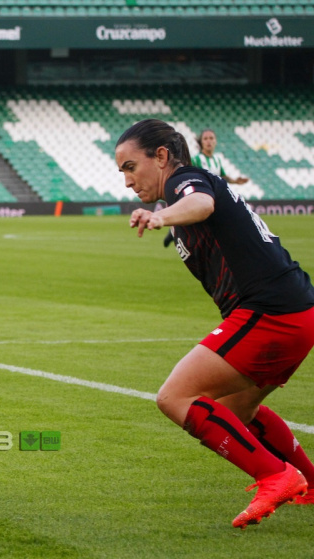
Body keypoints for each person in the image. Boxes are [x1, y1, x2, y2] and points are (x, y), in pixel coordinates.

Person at [116, 118, 314, 529]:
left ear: (162, 156)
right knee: (233, 411)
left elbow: (201, 204)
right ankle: (310, 484)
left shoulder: (183, 180)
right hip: (297, 311)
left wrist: (161, 217)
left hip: (271, 311)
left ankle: (275, 475)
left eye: (130, 167)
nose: (127, 181)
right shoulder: (186, 186)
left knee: (174, 398)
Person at [163, 129, 249, 248]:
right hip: (200, 195)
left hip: (213, 196)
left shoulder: (217, 160)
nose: (209, 141)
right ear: (201, 142)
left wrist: (235, 180)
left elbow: (221, 176)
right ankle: (175, 232)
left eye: (211, 138)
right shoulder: (196, 159)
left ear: (215, 142)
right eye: (206, 138)